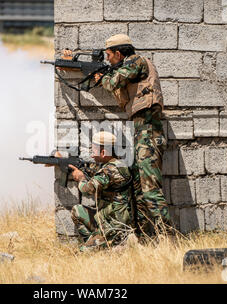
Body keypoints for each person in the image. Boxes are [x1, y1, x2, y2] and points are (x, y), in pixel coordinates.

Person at [63, 34, 170, 238]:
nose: (107, 59)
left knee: (150, 191)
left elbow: (113, 82)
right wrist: (69, 66)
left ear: (119, 53)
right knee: (139, 192)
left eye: (109, 55)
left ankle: (168, 239)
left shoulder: (136, 61)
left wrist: (102, 76)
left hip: (149, 134)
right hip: (142, 135)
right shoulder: (126, 69)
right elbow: (104, 82)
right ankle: (144, 238)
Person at [68, 131, 134, 250]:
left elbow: (87, 190)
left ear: (103, 153)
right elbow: (96, 172)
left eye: (94, 151)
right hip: (107, 218)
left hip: (114, 227)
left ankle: (102, 245)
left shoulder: (109, 170)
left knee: (83, 252)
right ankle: (94, 241)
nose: (92, 156)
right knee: (77, 211)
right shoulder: (118, 164)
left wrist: (81, 178)